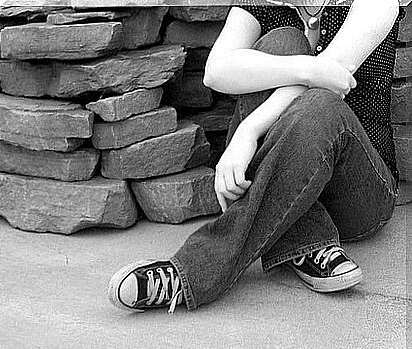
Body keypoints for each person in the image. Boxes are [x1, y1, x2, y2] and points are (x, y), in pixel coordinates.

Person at [108, 0, 406, 314]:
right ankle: (307, 240)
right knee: (282, 43)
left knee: (320, 103)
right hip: (288, 182)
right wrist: (306, 67)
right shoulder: (266, 4)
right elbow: (217, 71)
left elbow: (334, 78)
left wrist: (246, 134)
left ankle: (190, 273)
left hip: (359, 193)